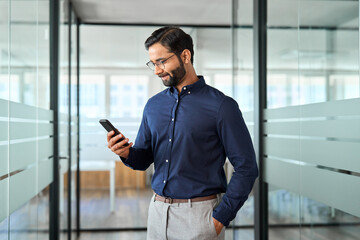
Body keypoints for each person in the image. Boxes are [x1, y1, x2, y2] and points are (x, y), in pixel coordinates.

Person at [107, 26, 258, 240]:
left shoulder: (222, 106)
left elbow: (247, 168)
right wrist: (124, 152)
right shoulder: (153, 106)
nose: (157, 70)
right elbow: (143, 160)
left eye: (162, 61)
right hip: (157, 213)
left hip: (200, 217)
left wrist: (219, 219)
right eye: (153, 64)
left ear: (185, 55)